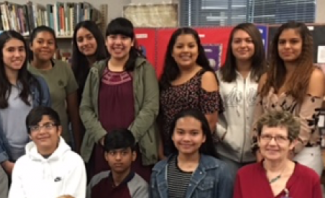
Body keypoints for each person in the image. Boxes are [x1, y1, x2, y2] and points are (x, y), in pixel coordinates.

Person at [80, 17, 159, 181]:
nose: (118, 42)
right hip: (103, 147)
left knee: (135, 196)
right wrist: (103, 137)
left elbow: (151, 107)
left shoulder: (144, 68)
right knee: (103, 194)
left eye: (124, 38)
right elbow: (85, 108)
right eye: (113, 37)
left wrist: (127, 141)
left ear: (132, 42)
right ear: (106, 41)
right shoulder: (96, 71)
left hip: (136, 147)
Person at [254, 21, 325, 176]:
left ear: (304, 45)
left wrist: (284, 156)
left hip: (302, 154)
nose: (287, 46)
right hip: (268, 152)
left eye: (294, 41)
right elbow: (257, 119)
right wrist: (259, 149)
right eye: (282, 42)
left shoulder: (314, 76)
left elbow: (307, 124)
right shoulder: (266, 78)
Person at [0, 30, 51, 175]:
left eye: (21, 49)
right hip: (1, 163)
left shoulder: (38, 84)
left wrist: (39, 155)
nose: (17, 55)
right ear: (0, 54)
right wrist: (4, 162)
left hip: (36, 158)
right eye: (10, 50)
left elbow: (47, 123)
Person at [159, 28, 223, 157]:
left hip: (197, 152)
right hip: (170, 150)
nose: (185, 50)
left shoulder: (205, 76)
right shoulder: (166, 79)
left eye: (191, 46)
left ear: (198, 50)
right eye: (180, 46)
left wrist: (188, 149)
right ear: (172, 52)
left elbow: (210, 122)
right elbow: (161, 119)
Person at [216, 23, 266, 172]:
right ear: (231, 45)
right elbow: (211, 112)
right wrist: (225, 136)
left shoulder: (268, 76)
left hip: (260, 154)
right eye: (237, 41)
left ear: (257, 44)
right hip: (226, 154)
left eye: (248, 40)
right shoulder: (218, 77)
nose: (243, 45)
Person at [27, 25, 81, 151]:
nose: (45, 46)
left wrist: (78, 145)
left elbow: (73, 111)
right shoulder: (23, 71)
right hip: (32, 140)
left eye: (50, 42)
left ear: (55, 47)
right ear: (31, 45)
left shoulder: (64, 68)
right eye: (40, 41)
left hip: (61, 139)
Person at [70, 20, 108, 103]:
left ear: (97, 38)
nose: (85, 43)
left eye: (89, 37)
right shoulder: (74, 69)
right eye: (80, 40)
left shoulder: (111, 64)